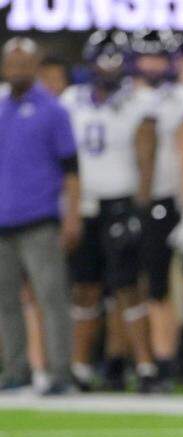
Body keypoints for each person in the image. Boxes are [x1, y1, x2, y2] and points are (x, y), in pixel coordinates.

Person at [61, 30, 159, 392]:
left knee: (128, 288)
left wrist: (140, 208)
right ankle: (80, 368)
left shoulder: (139, 101)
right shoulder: (71, 100)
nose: (108, 67)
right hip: (85, 205)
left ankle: (145, 366)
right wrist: (68, 208)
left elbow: (146, 160)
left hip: (120, 203)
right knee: (84, 288)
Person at [130, 29, 183, 388]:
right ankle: (161, 361)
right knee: (155, 285)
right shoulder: (129, 99)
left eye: (158, 57)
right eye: (147, 57)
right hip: (149, 202)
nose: (152, 64)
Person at [0, 36, 80, 393]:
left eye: (23, 64)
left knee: (51, 299)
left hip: (40, 219)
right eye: (11, 64)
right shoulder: (0, 108)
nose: (17, 70)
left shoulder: (53, 110)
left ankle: (60, 372)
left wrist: (72, 216)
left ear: (35, 67)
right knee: (5, 301)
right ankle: (15, 369)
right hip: (3, 221)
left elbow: (72, 170)